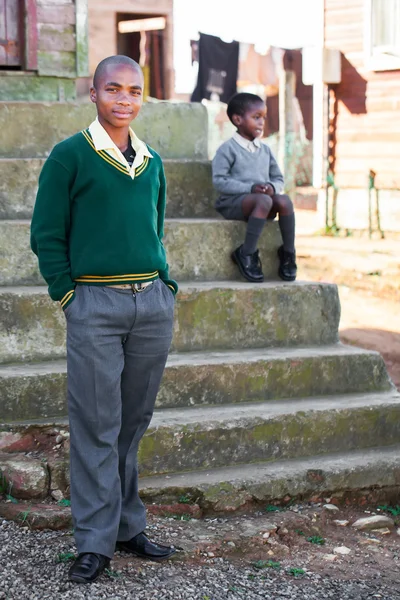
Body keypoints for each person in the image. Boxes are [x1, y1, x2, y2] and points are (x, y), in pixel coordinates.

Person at [30, 55, 177, 584]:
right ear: (93, 95)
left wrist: (167, 284)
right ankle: (94, 543)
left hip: (152, 305)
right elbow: (46, 233)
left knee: (132, 423)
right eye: (113, 89)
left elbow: (156, 228)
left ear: (142, 99)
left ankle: (126, 525)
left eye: (134, 91)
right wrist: (69, 295)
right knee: (96, 423)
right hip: (95, 305)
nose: (124, 99)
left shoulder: (152, 160)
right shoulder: (71, 156)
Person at [211, 92, 297, 282]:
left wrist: (272, 187)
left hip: (261, 201)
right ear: (238, 119)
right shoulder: (227, 150)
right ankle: (246, 253)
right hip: (233, 203)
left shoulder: (265, 150)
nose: (261, 123)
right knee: (263, 200)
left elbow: (278, 177)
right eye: (256, 117)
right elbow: (219, 181)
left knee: (284, 201)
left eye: (263, 118)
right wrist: (250, 188)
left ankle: (288, 253)